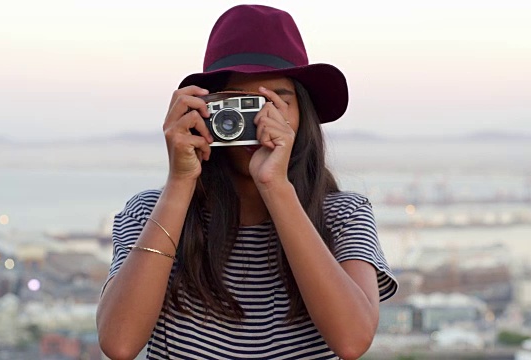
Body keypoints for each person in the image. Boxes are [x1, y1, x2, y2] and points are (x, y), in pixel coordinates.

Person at [96, 4, 398, 360]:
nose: (258, 120)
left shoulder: (342, 215)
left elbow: (352, 340)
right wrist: (180, 182)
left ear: (303, 115)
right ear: (204, 110)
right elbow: (119, 343)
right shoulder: (151, 212)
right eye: (239, 105)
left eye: (274, 103)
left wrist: (276, 186)